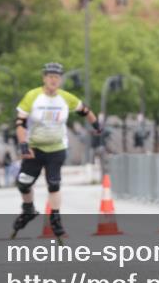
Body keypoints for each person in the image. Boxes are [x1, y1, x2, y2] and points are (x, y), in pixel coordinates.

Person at [10, 62, 101, 241]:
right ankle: (28, 210)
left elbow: (85, 111)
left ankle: (56, 220)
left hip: (57, 148)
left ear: (60, 80)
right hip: (34, 148)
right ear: (44, 78)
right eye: (50, 76)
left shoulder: (66, 98)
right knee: (23, 183)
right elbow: (20, 123)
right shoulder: (33, 96)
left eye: (57, 77)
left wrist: (97, 125)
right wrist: (23, 144)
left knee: (54, 184)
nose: (53, 80)